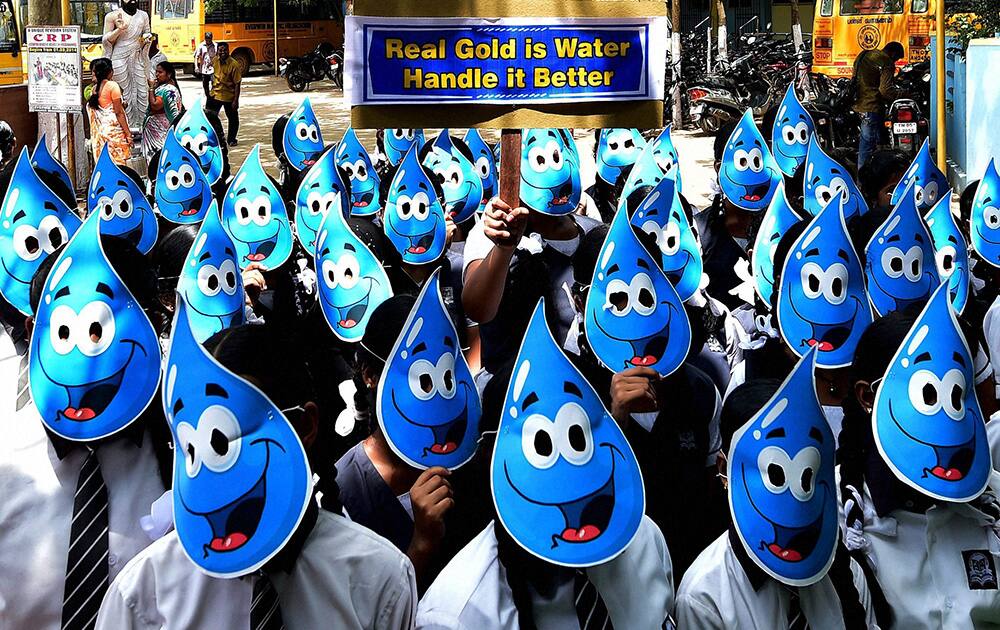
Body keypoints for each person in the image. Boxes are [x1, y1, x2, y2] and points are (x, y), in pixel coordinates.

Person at [96, 322, 418, 629]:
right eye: (194, 447)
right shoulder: (143, 593)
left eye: (226, 441)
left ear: (305, 426)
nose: (215, 467)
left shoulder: (379, 580)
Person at [0, 236, 173, 630]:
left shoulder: (188, 452)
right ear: (34, 329)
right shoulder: (5, 447)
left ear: (155, 326)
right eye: (70, 328)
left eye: (105, 328)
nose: (91, 350)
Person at [675, 375, 878, 629]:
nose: (795, 495)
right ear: (725, 469)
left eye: (807, 474)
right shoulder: (704, 597)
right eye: (775, 475)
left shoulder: (845, 573)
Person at [853, 41, 905, 169]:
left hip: (857, 105)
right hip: (871, 106)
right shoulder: (886, 62)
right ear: (892, 54)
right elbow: (885, 90)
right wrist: (903, 94)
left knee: (868, 145)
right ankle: (863, 182)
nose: (895, 62)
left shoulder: (864, 55)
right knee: (867, 147)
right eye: (897, 59)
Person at [101, 0, 151, 132]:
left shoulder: (143, 15)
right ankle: (126, 126)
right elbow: (106, 40)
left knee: (142, 90)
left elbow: (146, 32)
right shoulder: (112, 16)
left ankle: (142, 124)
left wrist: (147, 37)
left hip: (136, 56)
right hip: (119, 58)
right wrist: (119, 29)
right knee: (123, 93)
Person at [87, 57, 133, 164]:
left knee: (105, 164)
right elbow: (118, 113)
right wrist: (128, 134)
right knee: (119, 165)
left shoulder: (94, 89)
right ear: (109, 72)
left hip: (101, 134)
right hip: (114, 134)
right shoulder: (112, 86)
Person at [140, 60, 183, 158]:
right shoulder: (168, 86)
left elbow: (155, 105)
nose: (157, 74)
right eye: (156, 72)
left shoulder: (167, 89)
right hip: (160, 128)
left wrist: (151, 88)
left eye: (160, 72)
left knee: (159, 155)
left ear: (169, 74)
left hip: (160, 129)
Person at [206, 41, 242, 147]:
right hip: (215, 94)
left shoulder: (234, 64)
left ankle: (231, 139)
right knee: (209, 117)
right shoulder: (214, 61)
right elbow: (208, 75)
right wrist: (208, 91)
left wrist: (236, 100)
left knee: (233, 119)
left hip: (228, 95)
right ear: (217, 51)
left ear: (228, 51)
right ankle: (211, 138)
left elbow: (237, 83)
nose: (223, 52)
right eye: (220, 50)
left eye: (225, 50)